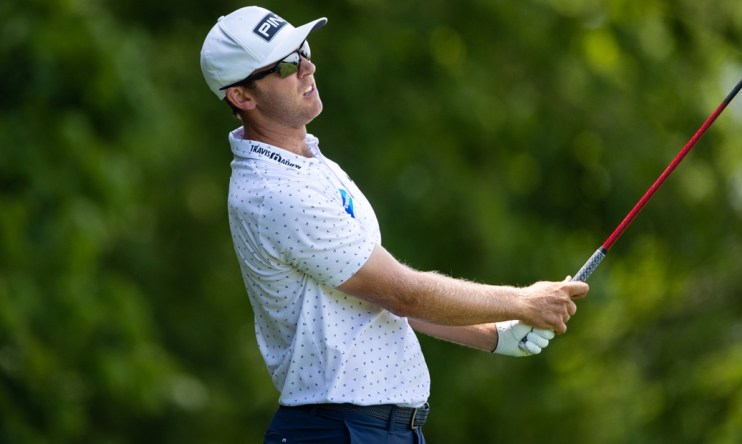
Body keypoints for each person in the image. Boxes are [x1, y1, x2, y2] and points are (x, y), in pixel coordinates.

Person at [200, 5, 589, 443]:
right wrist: (522, 301)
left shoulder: (309, 162)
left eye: (304, 51)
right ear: (242, 97)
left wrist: (492, 335)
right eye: (287, 65)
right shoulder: (272, 192)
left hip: (379, 430)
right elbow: (401, 292)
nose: (308, 66)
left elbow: (376, 299)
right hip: (338, 431)